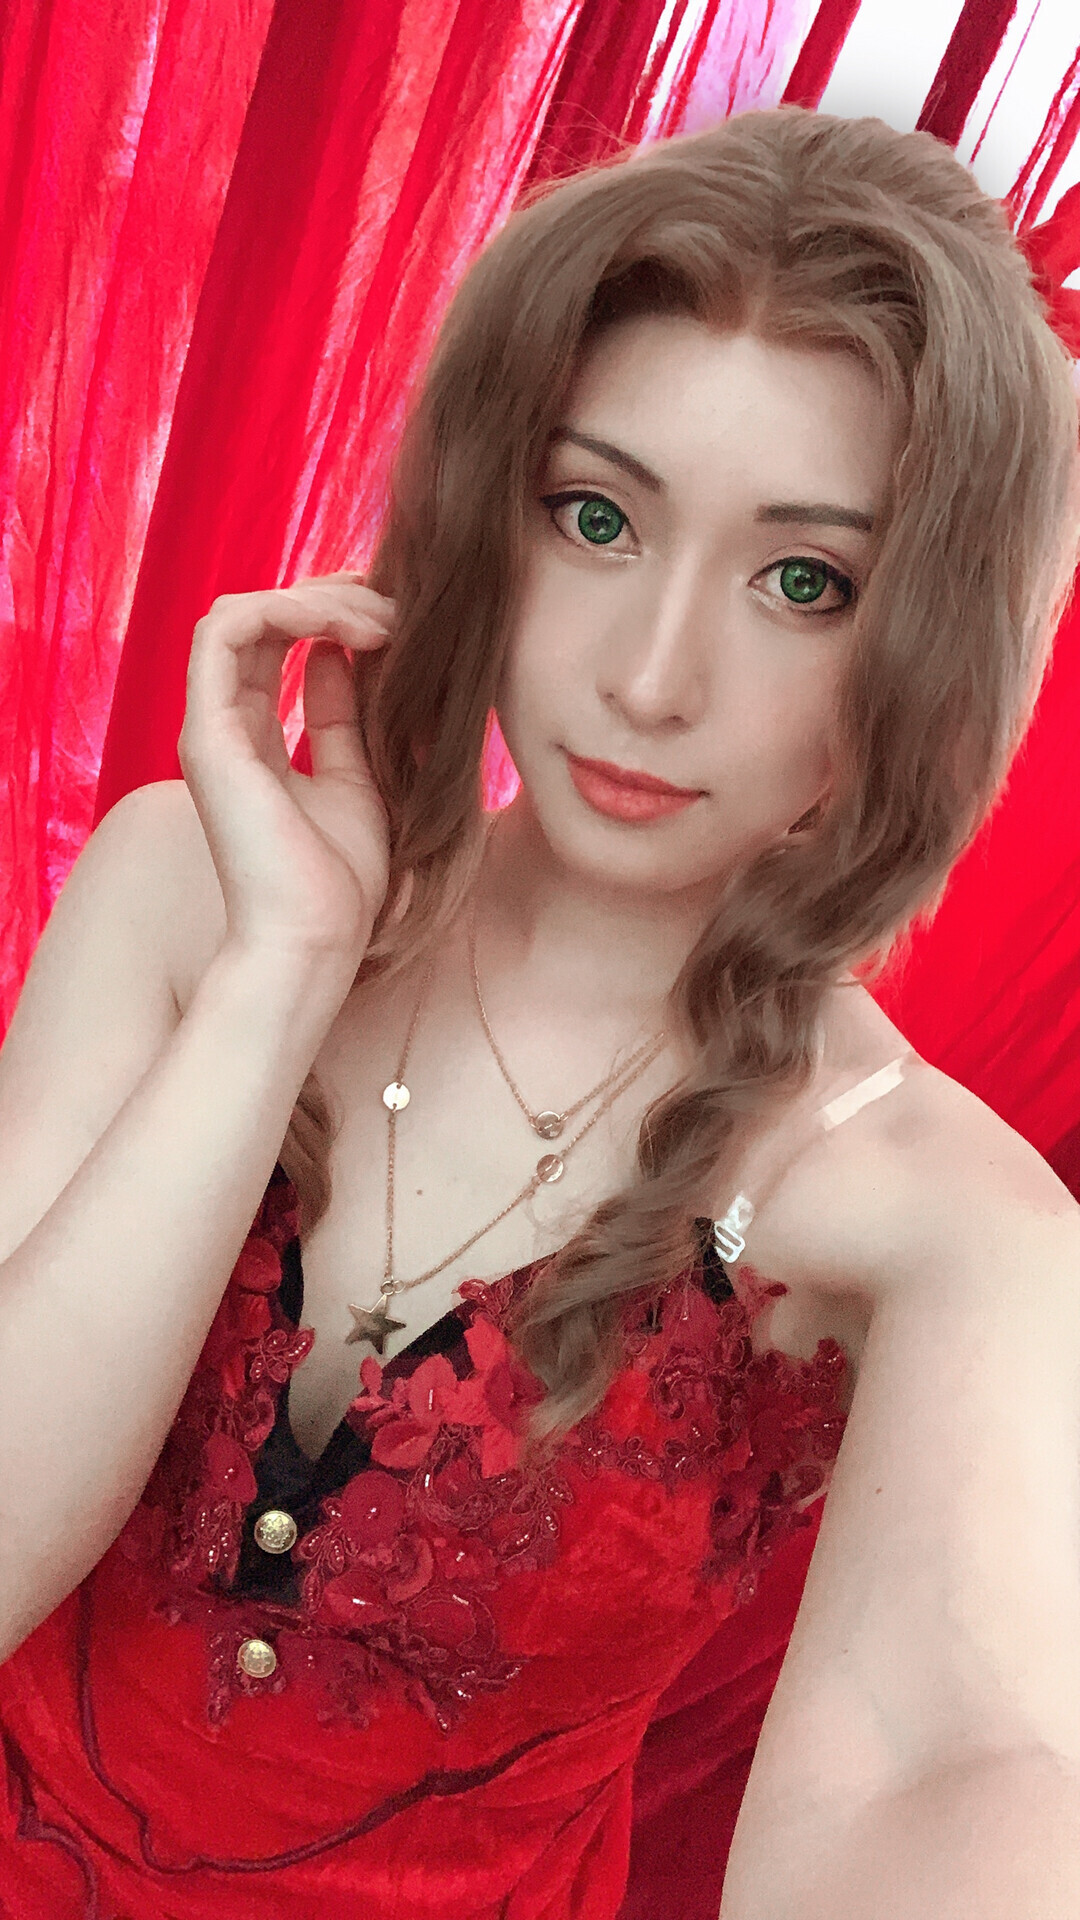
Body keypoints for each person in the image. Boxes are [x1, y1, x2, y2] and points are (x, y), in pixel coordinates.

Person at [1, 103, 1078, 1920]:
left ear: (924, 650)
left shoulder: (946, 1224)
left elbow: (964, 1763)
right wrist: (280, 976)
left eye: (803, 582)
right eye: (597, 517)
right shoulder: (188, 887)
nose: (652, 678)